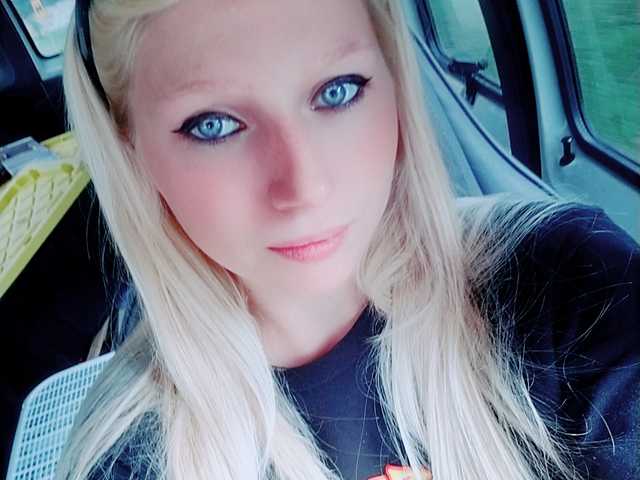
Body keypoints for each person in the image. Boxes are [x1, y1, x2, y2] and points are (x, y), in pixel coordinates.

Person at [55, 0, 639, 479]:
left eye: (337, 90)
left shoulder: (572, 288)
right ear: (130, 151)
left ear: (394, 80)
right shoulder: (126, 457)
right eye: (215, 125)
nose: (305, 186)